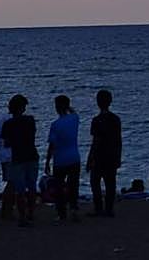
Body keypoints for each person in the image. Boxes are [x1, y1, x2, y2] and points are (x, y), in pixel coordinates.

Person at [1, 94, 39, 228]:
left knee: (20, 190)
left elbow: (6, 143)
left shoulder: (8, 124)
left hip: (18, 158)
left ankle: (22, 216)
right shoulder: (30, 120)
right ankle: (31, 213)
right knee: (32, 186)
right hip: (31, 155)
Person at [87, 89, 122, 218]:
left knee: (95, 182)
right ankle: (109, 209)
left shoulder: (97, 120)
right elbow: (118, 140)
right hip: (112, 155)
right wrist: (118, 156)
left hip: (99, 156)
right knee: (110, 183)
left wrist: (90, 158)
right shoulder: (115, 119)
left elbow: (95, 141)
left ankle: (99, 208)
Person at [46, 94, 81, 222]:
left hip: (60, 160)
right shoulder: (74, 119)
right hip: (74, 157)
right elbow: (74, 112)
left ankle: (62, 213)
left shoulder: (55, 125)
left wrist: (47, 161)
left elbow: (52, 145)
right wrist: (68, 107)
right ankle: (74, 209)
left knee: (59, 188)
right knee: (73, 186)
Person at [0, 106, 14, 221]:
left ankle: (7, 210)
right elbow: (7, 140)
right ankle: (6, 211)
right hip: (9, 156)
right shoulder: (8, 120)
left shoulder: (4, 118)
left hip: (6, 155)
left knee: (11, 182)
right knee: (12, 183)